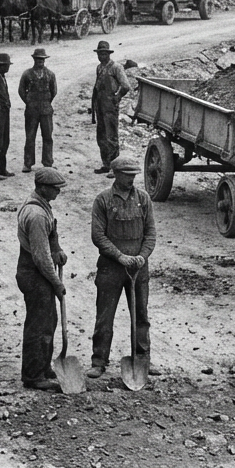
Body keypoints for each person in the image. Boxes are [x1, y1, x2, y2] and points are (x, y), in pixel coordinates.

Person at [87, 155, 158, 378]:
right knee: (105, 315)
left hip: (138, 268)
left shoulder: (144, 199)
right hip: (111, 268)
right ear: (115, 174)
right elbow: (98, 236)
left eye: (133, 175)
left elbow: (151, 233)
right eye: (127, 175)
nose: (131, 179)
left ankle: (142, 359)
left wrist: (142, 256)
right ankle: (99, 361)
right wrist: (120, 257)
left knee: (141, 315)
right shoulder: (103, 200)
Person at [16, 167, 70, 391]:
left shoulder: (43, 206)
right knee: (38, 326)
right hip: (35, 273)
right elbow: (41, 257)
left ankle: (44, 365)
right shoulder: (36, 215)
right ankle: (33, 376)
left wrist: (57, 249)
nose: (58, 192)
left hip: (39, 272)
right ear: (42, 188)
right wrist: (57, 284)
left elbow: (50, 240)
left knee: (49, 321)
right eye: (55, 188)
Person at [90, 40, 130, 175]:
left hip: (110, 107)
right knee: (101, 136)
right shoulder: (99, 68)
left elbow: (125, 86)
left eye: (103, 54)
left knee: (111, 137)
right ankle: (106, 164)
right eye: (99, 54)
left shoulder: (116, 67)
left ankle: (115, 167)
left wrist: (117, 98)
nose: (101, 56)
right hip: (100, 106)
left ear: (108, 54)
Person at [18, 48, 58, 173]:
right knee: (30, 136)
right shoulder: (27, 74)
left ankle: (47, 162)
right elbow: (21, 91)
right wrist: (29, 102)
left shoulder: (50, 74)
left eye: (42, 59)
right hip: (31, 110)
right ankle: (28, 163)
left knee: (47, 136)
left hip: (46, 109)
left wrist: (46, 102)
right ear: (34, 59)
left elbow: (54, 91)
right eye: (38, 59)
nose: (40, 61)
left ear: (45, 60)